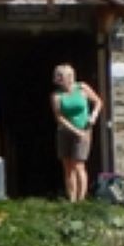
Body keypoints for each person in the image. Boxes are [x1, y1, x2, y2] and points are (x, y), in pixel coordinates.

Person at [51, 64, 102, 203]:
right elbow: (59, 117)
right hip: (65, 132)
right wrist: (74, 131)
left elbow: (98, 101)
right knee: (67, 166)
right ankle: (72, 199)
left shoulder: (82, 88)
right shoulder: (57, 96)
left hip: (84, 130)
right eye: (58, 76)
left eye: (62, 76)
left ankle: (81, 199)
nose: (59, 79)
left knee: (79, 164)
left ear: (70, 77)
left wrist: (93, 116)